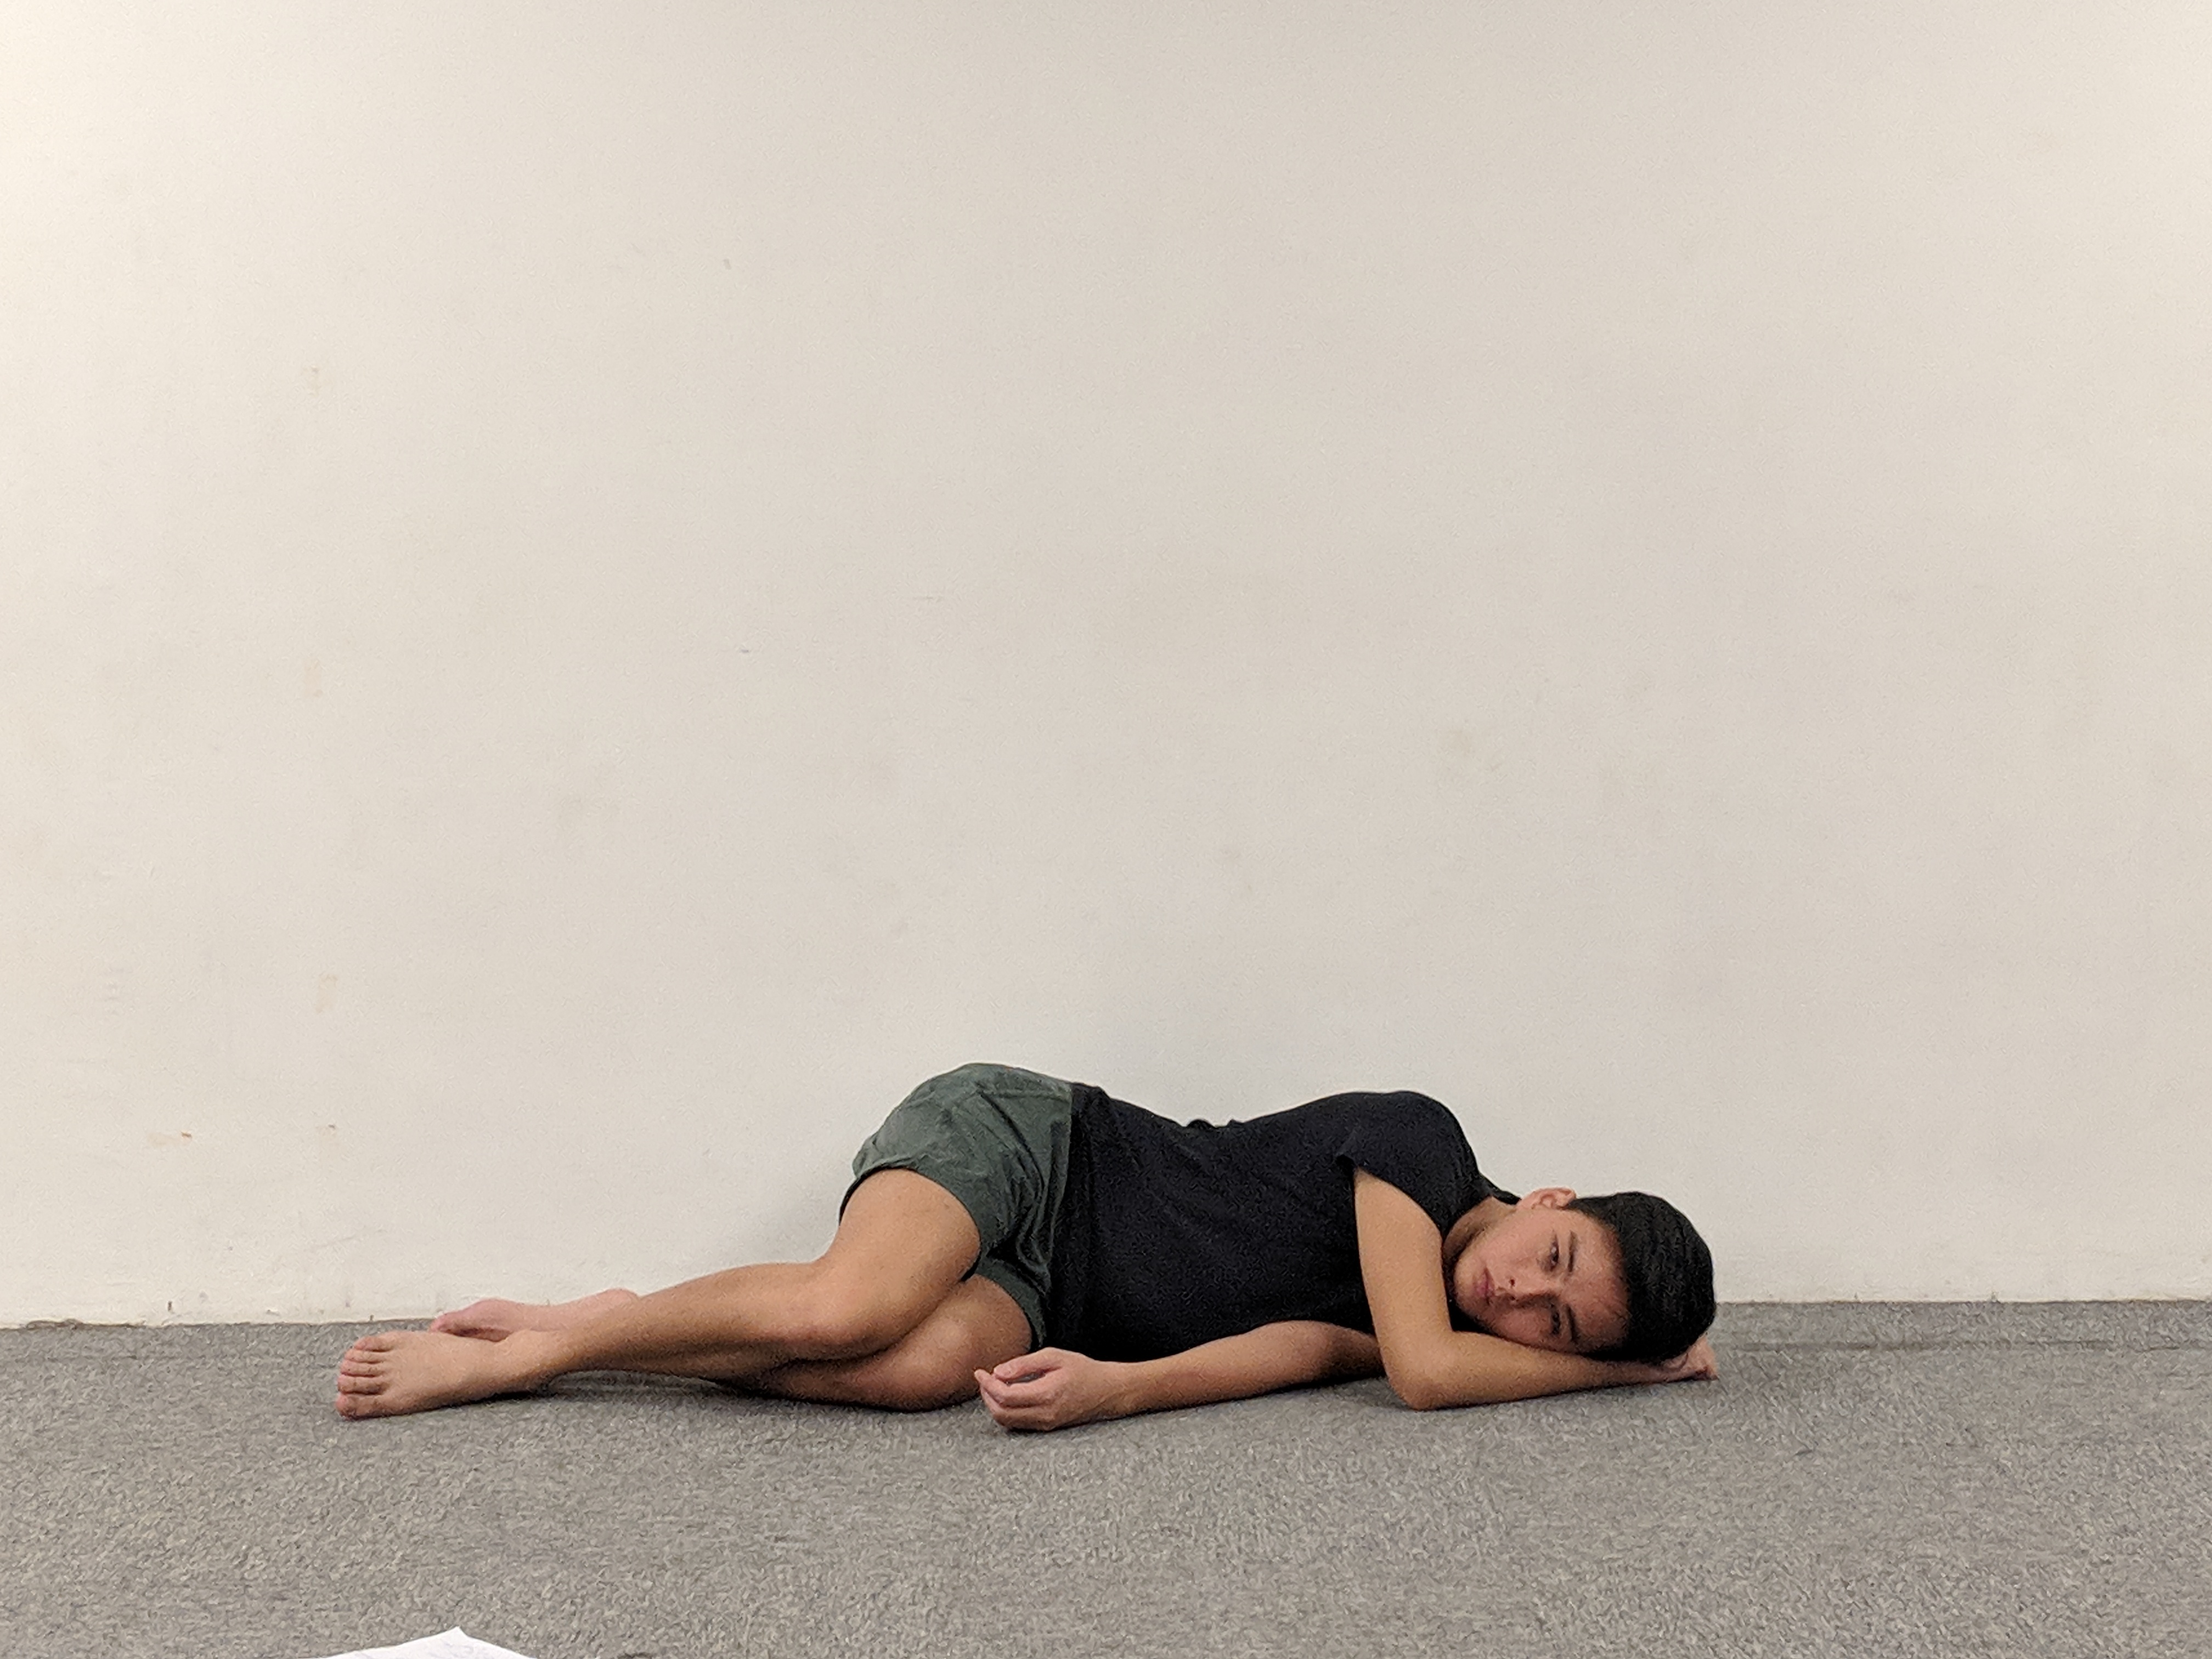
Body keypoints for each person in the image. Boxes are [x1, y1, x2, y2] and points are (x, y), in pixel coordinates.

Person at [335, 1063, 1717, 1428]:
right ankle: (530, 1358)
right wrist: (1622, 1375)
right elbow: (1422, 1376)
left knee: (904, 1374)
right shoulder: (1421, 1144)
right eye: (1555, 1260)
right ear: (1552, 1198)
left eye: (1555, 1325)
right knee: (841, 1313)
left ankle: (626, 1317)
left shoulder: (1417, 1311)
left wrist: (1119, 1387)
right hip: (1033, 1147)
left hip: (1049, 1289)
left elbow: (1296, 1350)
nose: (1519, 1294)